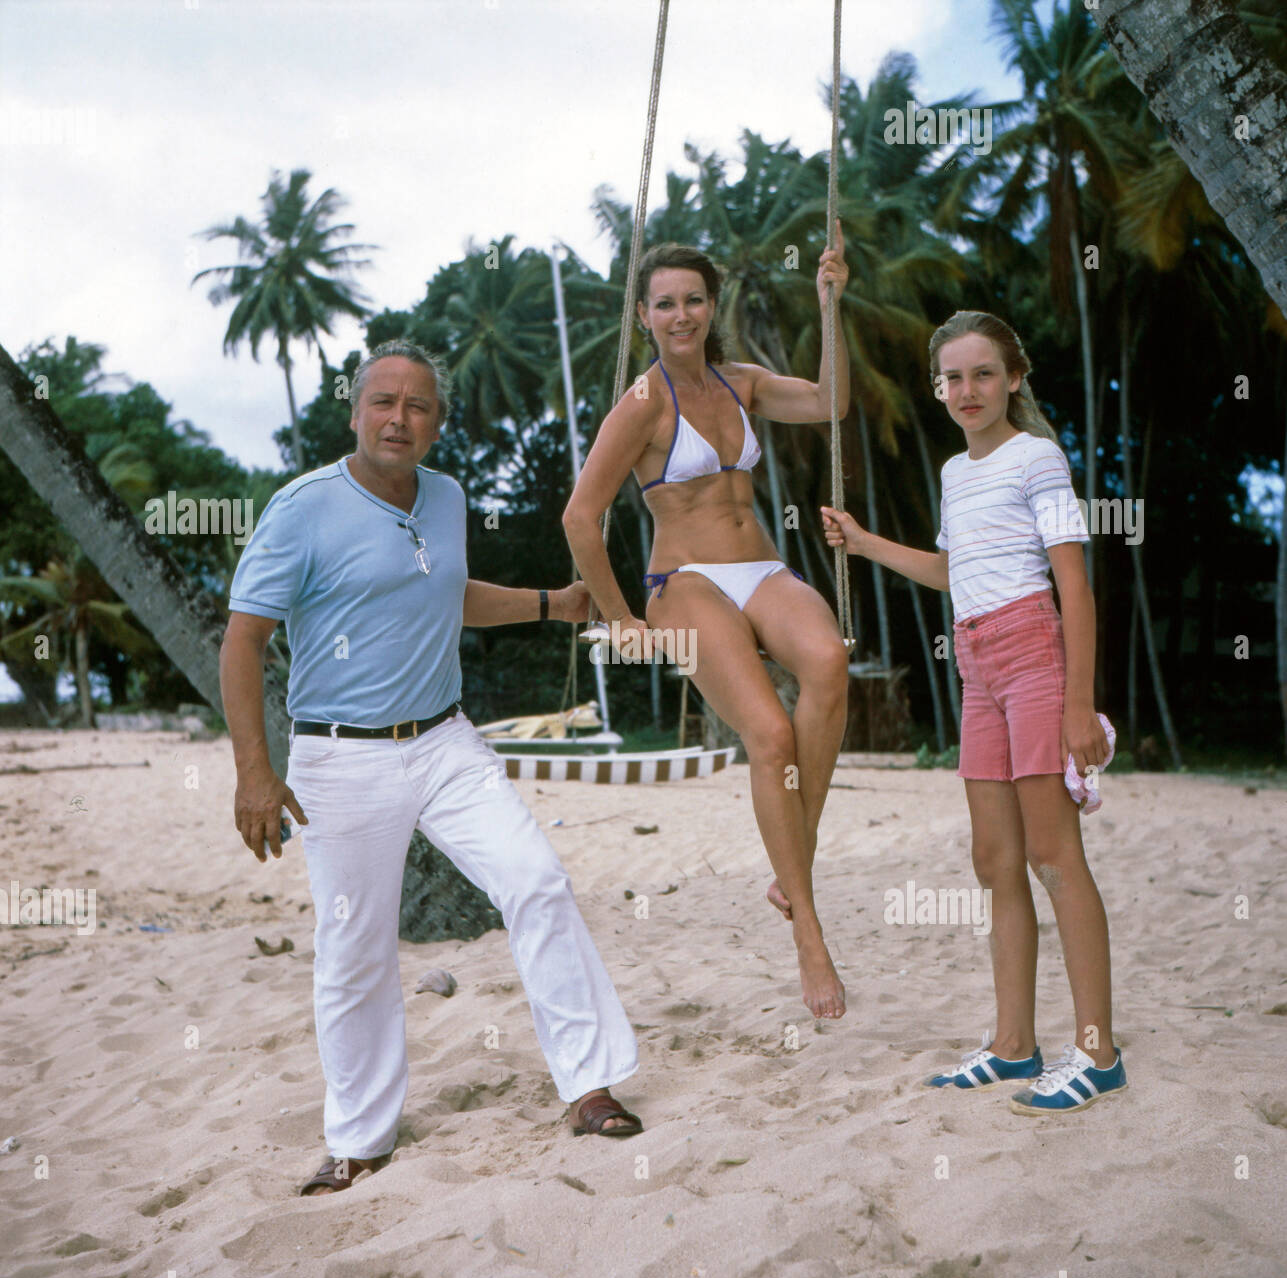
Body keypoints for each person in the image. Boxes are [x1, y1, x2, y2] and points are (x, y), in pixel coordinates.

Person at [220, 340, 643, 1196]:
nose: (398, 419)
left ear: (436, 422)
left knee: (537, 881)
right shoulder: (303, 507)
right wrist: (254, 775)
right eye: (383, 401)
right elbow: (242, 638)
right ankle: (360, 1140)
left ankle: (588, 1085)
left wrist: (550, 605)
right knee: (354, 946)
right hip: (339, 757)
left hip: (446, 741)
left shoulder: (446, 497)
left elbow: (442, 592)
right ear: (354, 411)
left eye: (417, 406)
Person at [821, 310, 1127, 1114]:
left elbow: (1074, 586)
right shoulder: (957, 474)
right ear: (936, 389)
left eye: (983, 373)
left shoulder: (1037, 459)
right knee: (993, 861)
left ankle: (1097, 1053)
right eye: (951, 378)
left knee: (1053, 856)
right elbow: (952, 570)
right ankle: (1013, 1047)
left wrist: (1078, 704)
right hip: (975, 661)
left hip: (1033, 654)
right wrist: (861, 543)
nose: (967, 390)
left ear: (1013, 378)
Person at [563, 228, 851, 1020]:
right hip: (681, 581)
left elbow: (831, 402)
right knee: (770, 736)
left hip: (759, 568)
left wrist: (830, 305)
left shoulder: (742, 383)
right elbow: (580, 518)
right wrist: (621, 620)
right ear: (643, 319)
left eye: (693, 298)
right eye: (664, 304)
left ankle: (798, 851)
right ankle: (809, 936)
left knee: (828, 664)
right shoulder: (642, 405)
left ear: (711, 305)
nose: (680, 313)